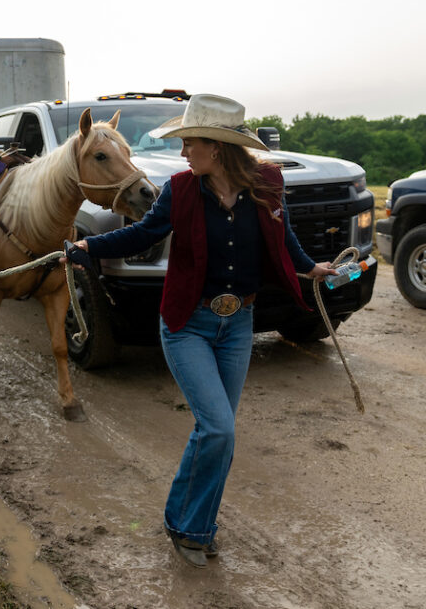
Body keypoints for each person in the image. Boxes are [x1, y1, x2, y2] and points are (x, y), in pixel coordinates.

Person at [66, 94, 336, 568]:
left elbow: (282, 234)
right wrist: (88, 243)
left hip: (239, 324)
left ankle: (188, 522)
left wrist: (311, 267)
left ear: (217, 147)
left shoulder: (267, 186)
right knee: (219, 429)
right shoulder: (180, 190)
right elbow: (143, 233)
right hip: (188, 323)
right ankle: (193, 529)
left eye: (190, 143)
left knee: (215, 431)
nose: (184, 151)